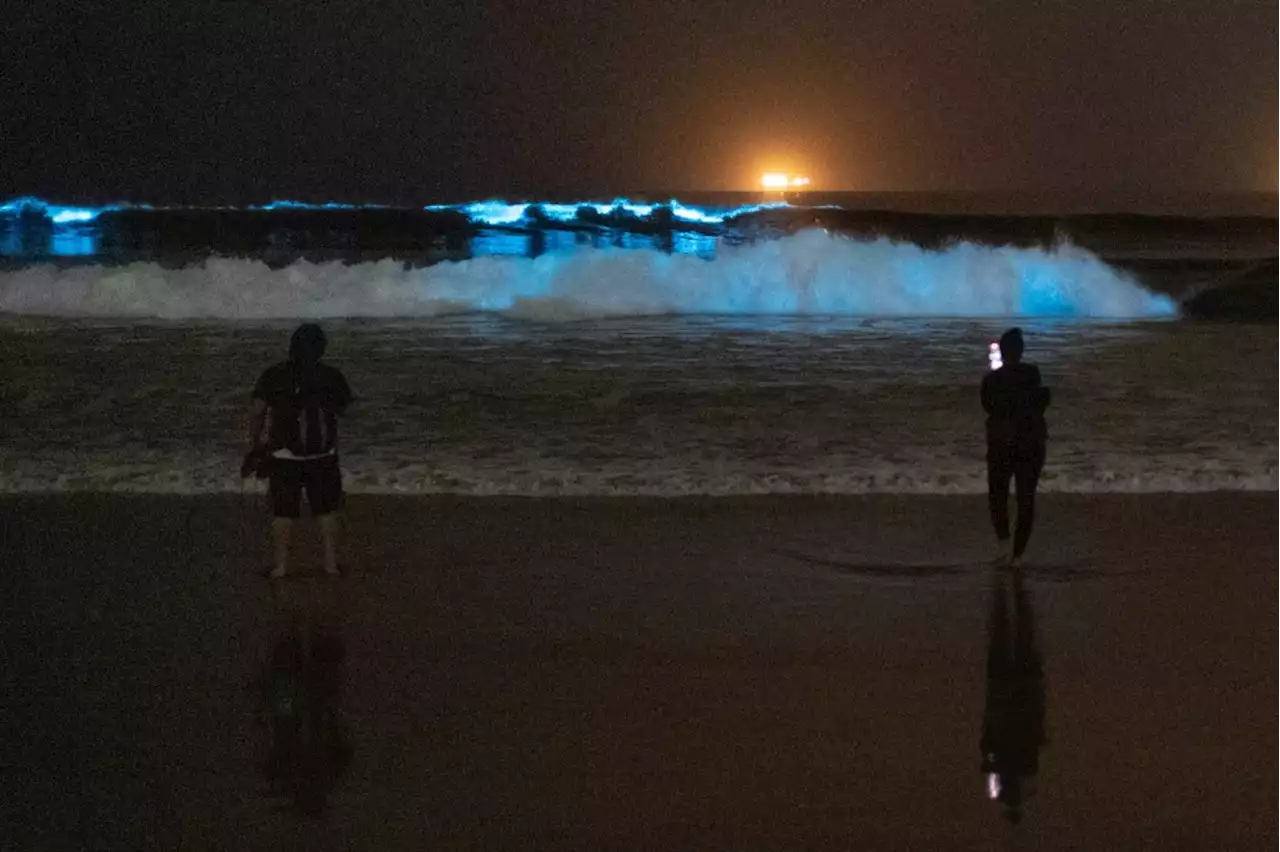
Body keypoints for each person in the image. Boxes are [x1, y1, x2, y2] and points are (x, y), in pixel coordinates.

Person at [247, 324, 353, 578]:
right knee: (326, 511)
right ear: (321, 349)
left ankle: (280, 567)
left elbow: (257, 410)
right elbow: (342, 410)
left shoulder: (274, 374)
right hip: (322, 454)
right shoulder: (331, 375)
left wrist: (255, 442)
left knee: (283, 512)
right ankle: (330, 565)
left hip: (284, 454)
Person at [981, 327, 1050, 567]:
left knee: (997, 497)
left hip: (1002, 443)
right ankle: (1017, 556)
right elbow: (1039, 402)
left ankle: (1004, 547)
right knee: (1026, 500)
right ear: (1022, 351)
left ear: (1002, 350)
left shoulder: (991, 379)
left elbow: (988, 407)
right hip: (1031, 443)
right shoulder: (1032, 373)